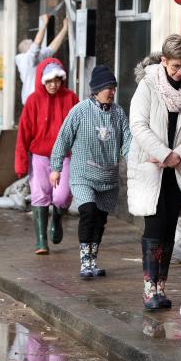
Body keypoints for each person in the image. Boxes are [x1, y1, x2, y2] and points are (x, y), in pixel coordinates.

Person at [127, 34, 181, 310]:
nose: (180, 72)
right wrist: (164, 153)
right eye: (175, 66)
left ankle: (162, 287)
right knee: (155, 226)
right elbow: (137, 125)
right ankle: (150, 289)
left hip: (178, 170)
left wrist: (179, 154)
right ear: (163, 61)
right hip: (152, 168)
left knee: (170, 228)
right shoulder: (148, 86)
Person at [49, 66, 132, 278]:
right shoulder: (80, 111)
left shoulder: (118, 113)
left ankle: (93, 259)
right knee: (88, 212)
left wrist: (137, 163)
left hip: (108, 177)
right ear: (96, 90)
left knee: (100, 219)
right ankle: (85, 262)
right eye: (107, 87)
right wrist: (56, 168)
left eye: (113, 87)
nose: (111, 91)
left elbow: (128, 142)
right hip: (82, 174)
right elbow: (63, 138)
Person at [15, 58, 79, 255]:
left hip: (65, 156)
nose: (54, 85)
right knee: (40, 193)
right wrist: (20, 161)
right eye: (50, 81)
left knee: (63, 195)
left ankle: (57, 219)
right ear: (42, 80)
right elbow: (23, 133)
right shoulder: (33, 101)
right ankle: (41, 240)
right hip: (40, 155)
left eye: (58, 80)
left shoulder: (71, 99)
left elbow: (80, 128)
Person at [15, 15, 69, 105]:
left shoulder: (38, 57)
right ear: (28, 49)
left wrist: (65, 29)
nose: (32, 41)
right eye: (30, 42)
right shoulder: (28, 59)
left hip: (41, 99)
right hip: (34, 102)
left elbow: (52, 48)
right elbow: (38, 42)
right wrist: (44, 23)